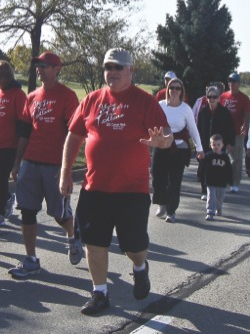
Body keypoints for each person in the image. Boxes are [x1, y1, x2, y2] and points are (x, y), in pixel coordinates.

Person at [59, 48, 173, 315]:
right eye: (108, 67)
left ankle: (140, 267)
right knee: (94, 242)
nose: (112, 72)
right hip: (95, 187)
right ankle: (100, 293)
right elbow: (74, 136)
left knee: (133, 246)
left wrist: (162, 142)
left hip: (132, 190)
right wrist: (65, 172)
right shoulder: (91, 100)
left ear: (130, 71)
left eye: (118, 67)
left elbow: (166, 133)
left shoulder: (144, 101)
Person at [9, 51, 82, 278]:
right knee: (27, 211)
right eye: (38, 65)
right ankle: (31, 259)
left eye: (45, 65)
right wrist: (17, 161)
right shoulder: (32, 97)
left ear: (56, 68)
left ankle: (72, 235)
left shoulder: (67, 97)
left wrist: (67, 168)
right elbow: (24, 132)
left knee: (58, 215)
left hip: (55, 165)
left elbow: (75, 132)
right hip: (31, 161)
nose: (40, 69)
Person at [152, 78, 204, 223]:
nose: (174, 91)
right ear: (167, 89)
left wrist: (199, 148)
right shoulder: (160, 105)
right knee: (157, 177)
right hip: (162, 146)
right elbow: (150, 122)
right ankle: (162, 203)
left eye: (177, 88)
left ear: (182, 92)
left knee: (174, 180)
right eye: (172, 88)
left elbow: (193, 129)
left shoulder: (185, 109)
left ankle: (171, 210)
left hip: (179, 149)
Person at [0, 60, 26, 227]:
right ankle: (6, 197)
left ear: (4, 76)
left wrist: (19, 152)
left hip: (9, 144)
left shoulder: (18, 95)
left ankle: (1, 210)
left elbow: (22, 122)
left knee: (1, 177)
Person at [196, 85, 235, 199]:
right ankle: (205, 191)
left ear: (218, 98)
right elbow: (198, 128)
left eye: (214, 97)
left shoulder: (224, 112)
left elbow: (230, 129)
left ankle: (218, 190)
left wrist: (230, 143)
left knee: (217, 169)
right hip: (205, 145)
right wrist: (197, 145)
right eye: (209, 96)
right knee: (204, 167)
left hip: (219, 146)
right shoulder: (203, 112)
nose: (212, 99)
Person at [219, 72, 250, 193]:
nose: (231, 84)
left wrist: (246, 124)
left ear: (238, 83)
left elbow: (248, 113)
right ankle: (224, 179)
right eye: (229, 81)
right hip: (223, 132)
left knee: (236, 159)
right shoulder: (223, 96)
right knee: (222, 156)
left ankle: (235, 182)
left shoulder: (243, 98)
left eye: (234, 82)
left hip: (237, 132)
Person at [203, 134, 233, 221]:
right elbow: (203, 166)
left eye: (218, 144)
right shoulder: (208, 156)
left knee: (220, 198)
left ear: (222, 145)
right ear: (211, 145)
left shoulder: (225, 157)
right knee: (211, 196)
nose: (216, 146)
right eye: (214, 144)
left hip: (222, 182)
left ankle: (219, 208)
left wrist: (230, 181)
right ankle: (210, 212)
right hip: (211, 181)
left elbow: (229, 170)